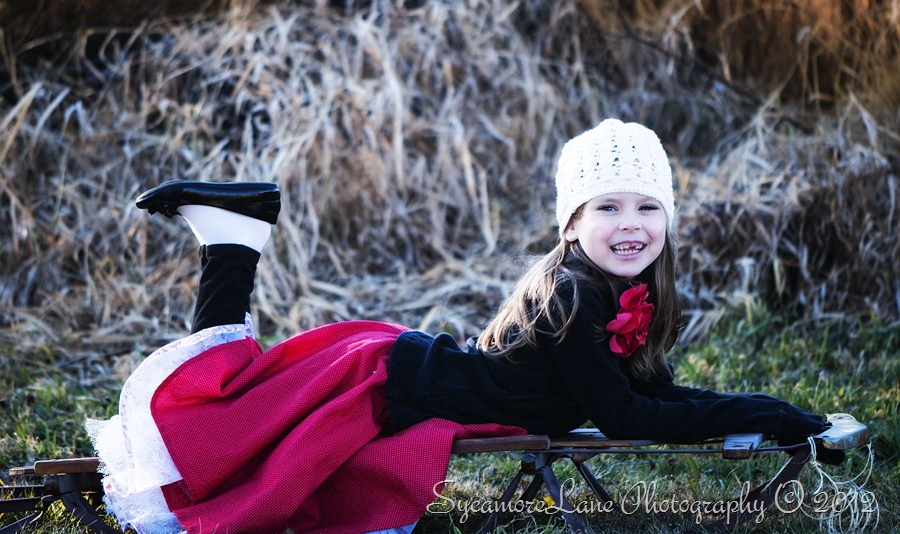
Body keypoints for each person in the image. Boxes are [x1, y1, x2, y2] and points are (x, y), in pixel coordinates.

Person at [87, 119, 834, 534]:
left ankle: (232, 237)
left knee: (239, 413)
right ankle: (231, 236)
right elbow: (624, 415)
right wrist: (766, 413)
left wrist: (767, 415)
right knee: (223, 424)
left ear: (669, 217)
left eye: (646, 207)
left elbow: (656, 395)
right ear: (572, 224)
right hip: (386, 383)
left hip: (399, 369)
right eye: (607, 207)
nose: (630, 225)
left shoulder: (612, 290)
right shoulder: (574, 295)